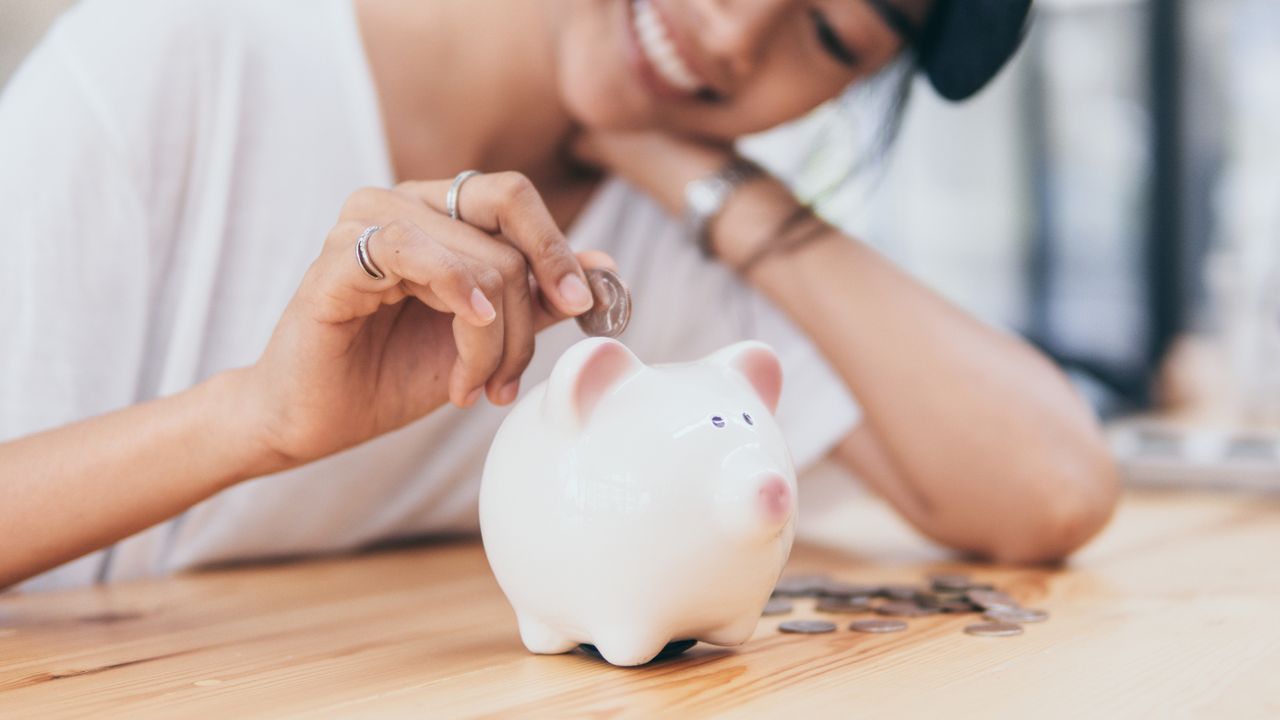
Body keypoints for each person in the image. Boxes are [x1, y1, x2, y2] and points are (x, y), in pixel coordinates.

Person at [0, 0, 1118, 592]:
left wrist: (714, 185)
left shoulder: (663, 249)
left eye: (829, 35)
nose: (730, 33)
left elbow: (1048, 488)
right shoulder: (179, 57)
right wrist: (257, 420)